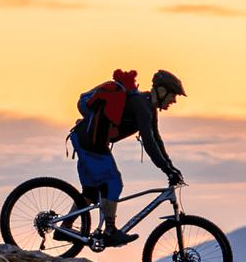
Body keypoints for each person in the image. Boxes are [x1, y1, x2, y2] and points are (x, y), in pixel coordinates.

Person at [70, 69, 186, 246]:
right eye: (173, 95)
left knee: (91, 193)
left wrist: (170, 167)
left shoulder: (148, 107)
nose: (174, 100)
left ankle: (65, 228)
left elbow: (156, 139)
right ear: (161, 91)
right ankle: (110, 231)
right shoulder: (142, 105)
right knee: (114, 182)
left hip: (85, 139)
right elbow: (148, 142)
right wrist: (166, 169)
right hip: (90, 143)